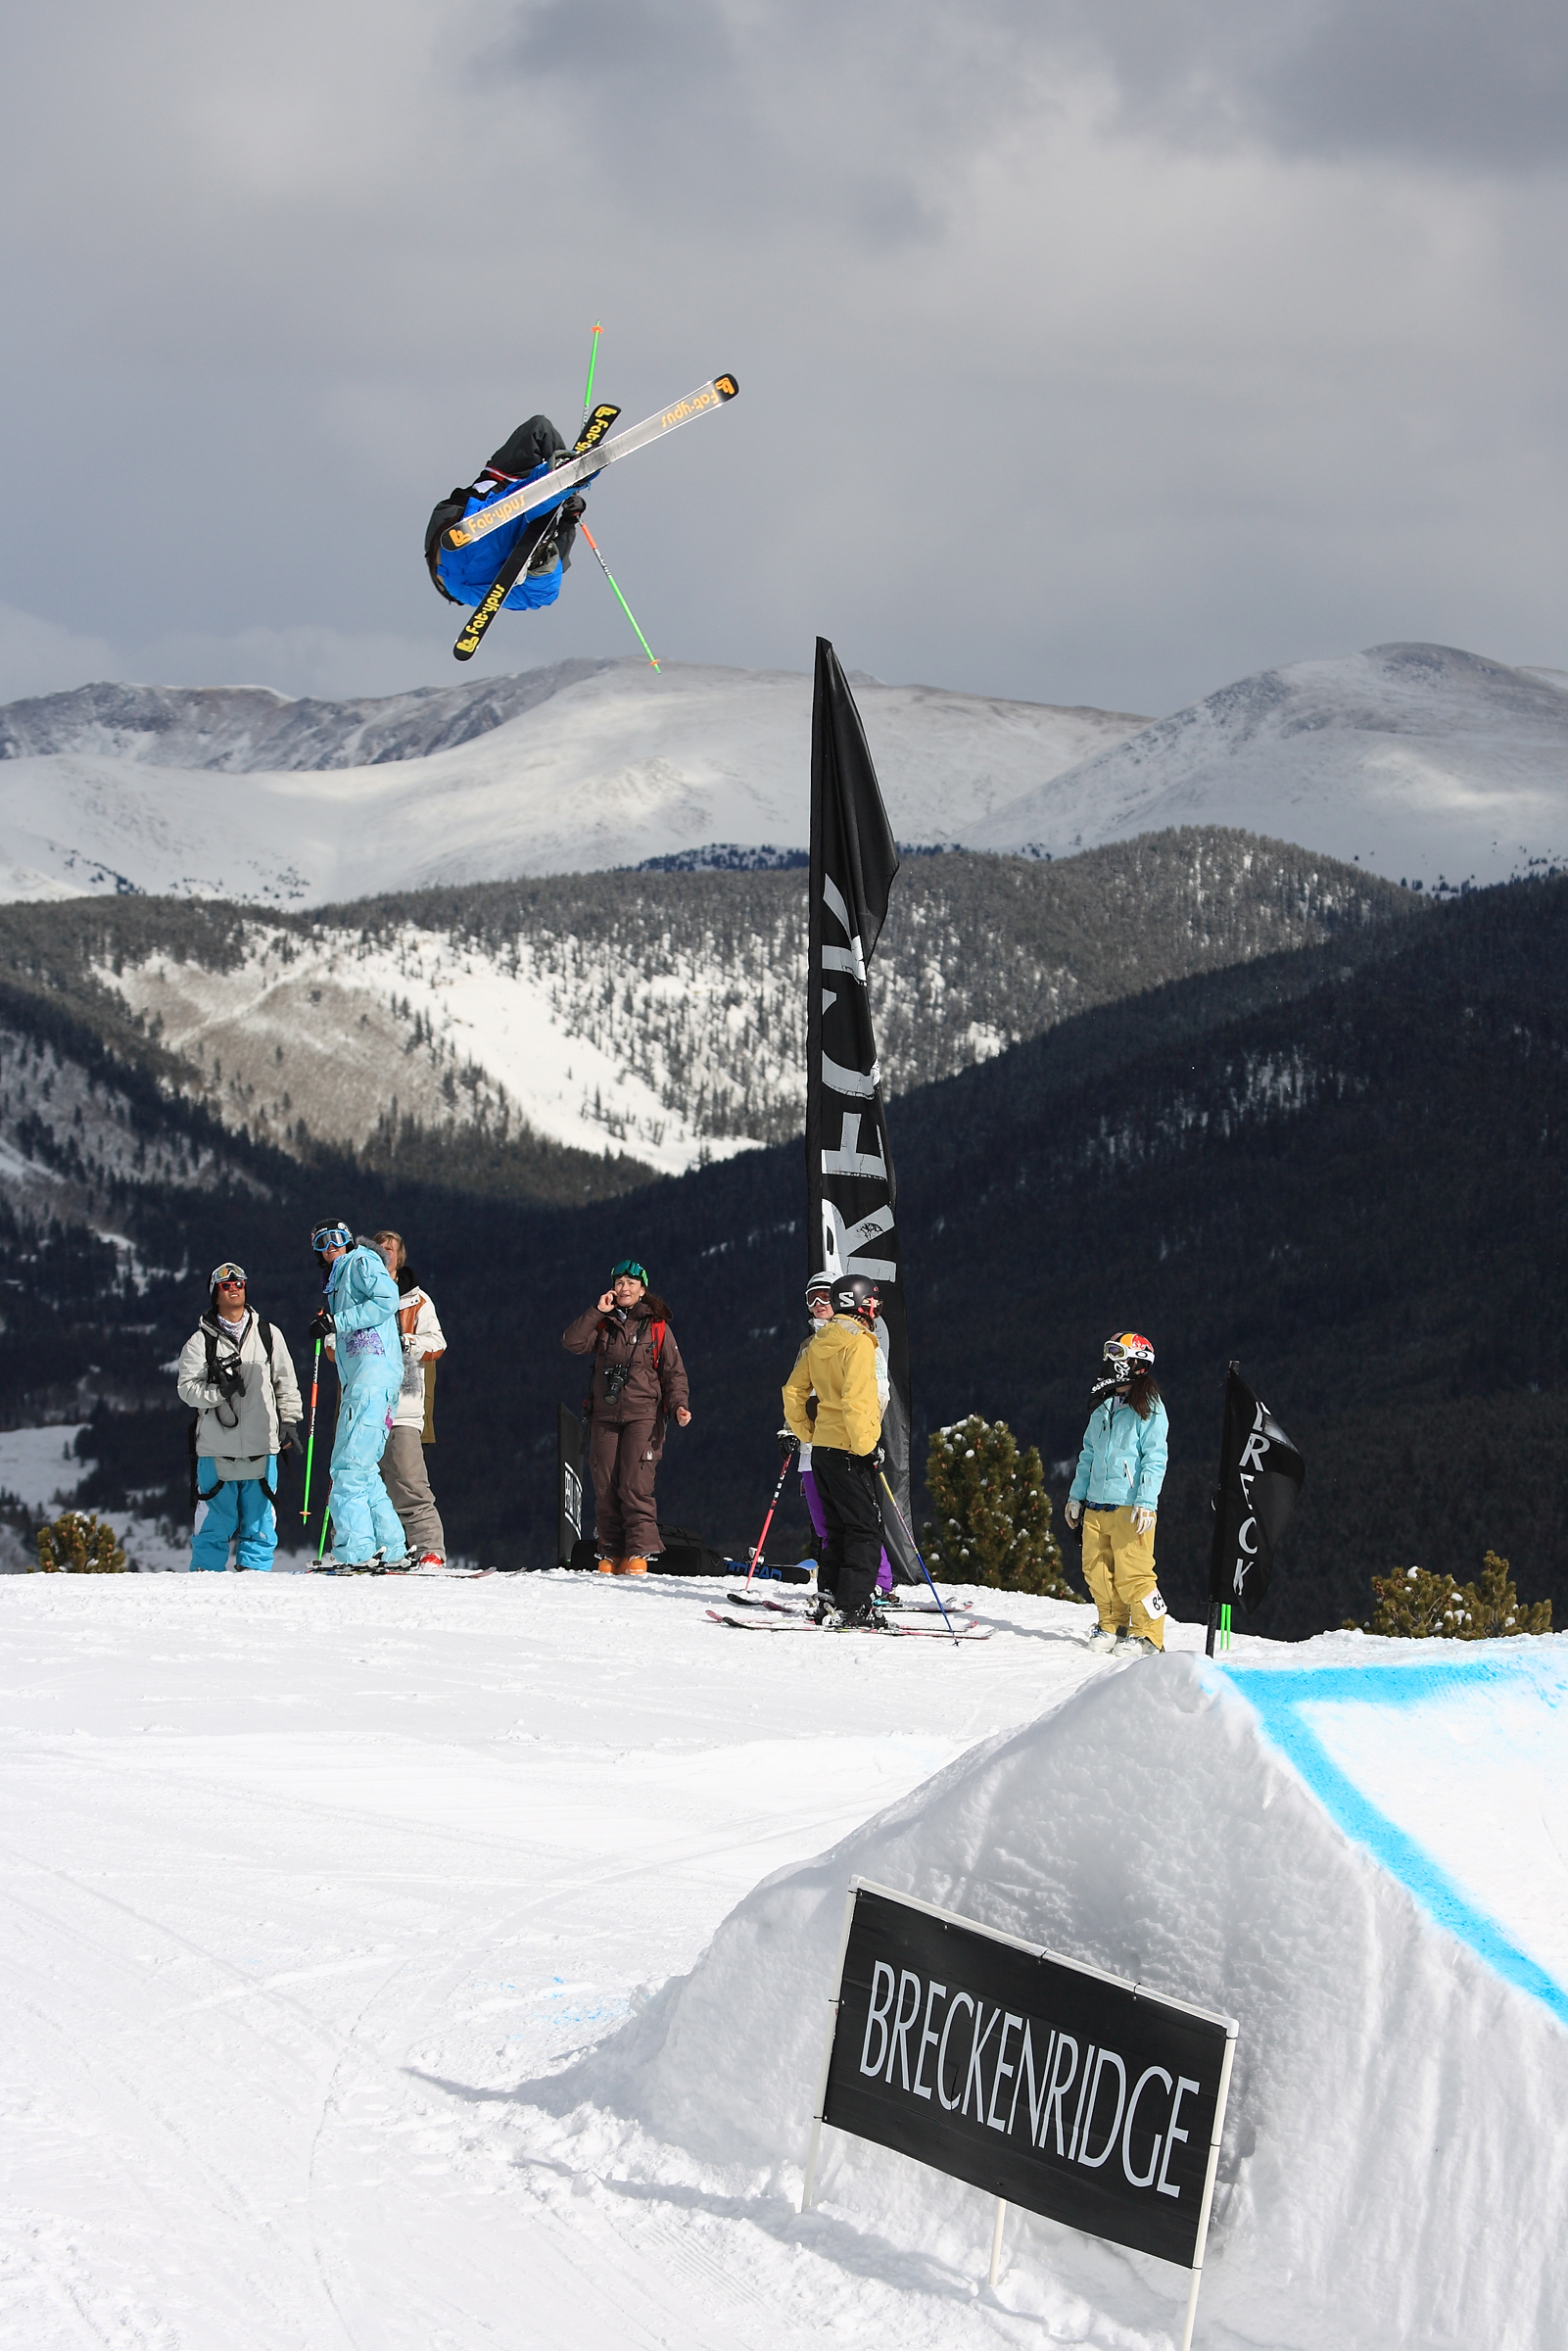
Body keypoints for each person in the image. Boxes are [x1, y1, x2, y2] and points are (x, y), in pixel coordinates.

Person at [562, 1259, 691, 1574]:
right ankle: (609, 1551)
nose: (624, 1288)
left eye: (631, 1283)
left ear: (642, 1290)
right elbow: (572, 1342)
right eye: (619, 1282)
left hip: (644, 1415)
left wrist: (679, 1407)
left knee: (635, 1484)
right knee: (605, 1484)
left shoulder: (657, 1326)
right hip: (604, 1416)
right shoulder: (604, 1324)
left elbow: (674, 1373)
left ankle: (638, 1552)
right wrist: (597, 1311)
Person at [176, 1260, 302, 1572]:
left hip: (262, 1447)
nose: (234, 1288)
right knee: (212, 1528)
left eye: (239, 1283)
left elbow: (285, 1383)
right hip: (216, 1450)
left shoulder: (269, 1336)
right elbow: (187, 1389)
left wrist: (289, 1423)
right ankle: (205, 1583)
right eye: (226, 1285)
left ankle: (254, 1583)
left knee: (259, 1526)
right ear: (215, 1294)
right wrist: (219, 1391)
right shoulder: (200, 1342)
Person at [782, 1273, 886, 1629]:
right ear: (862, 1303)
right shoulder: (859, 1343)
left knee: (835, 1529)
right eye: (874, 1301)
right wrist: (866, 1447)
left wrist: (806, 1431)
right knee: (865, 1529)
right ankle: (854, 1606)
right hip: (849, 1448)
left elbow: (793, 1391)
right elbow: (857, 1399)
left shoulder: (819, 1341)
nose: (877, 1308)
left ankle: (829, 1596)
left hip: (822, 1448)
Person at [309, 1222, 407, 1572]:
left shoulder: (360, 1261)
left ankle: (355, 1550)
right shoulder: (340, 1277)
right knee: (363, 1470)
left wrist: (338, 1320)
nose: (329, 1246)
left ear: (348, 1240)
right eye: (321, 1241)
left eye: (336, 1238)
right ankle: (390, 1547)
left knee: (347, 1468)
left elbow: (386, 1299)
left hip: (371, 1378)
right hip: (371, 1381)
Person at [1065, 1332, 1170, 1655]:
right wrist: (1075, 1497)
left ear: (1134, 1363)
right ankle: (1112, 1624)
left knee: (1133, 1571)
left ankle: (1150, 1634)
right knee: (1095, 1568)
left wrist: (1146, 1502)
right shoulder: (1104, 1406)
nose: (1109, 1362)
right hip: (1097, 1503)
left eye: (1117, 1355)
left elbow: (1155, 1457)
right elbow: (1088, 1454)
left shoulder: (1149, 1409)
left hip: (1129, 1505)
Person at [424, 416, 588, 616]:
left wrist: (570, 511)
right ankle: (540, 560)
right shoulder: (512, 482)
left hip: (463, 572)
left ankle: (540, 559)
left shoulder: (507, 477)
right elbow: (539, 428)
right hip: (466, 559)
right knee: (545, 589)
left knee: (546, 585)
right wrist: (570, 514)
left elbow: (539, 427)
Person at [370, 1228, 448, 1571]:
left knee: (409, 1478)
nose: (386, 1252)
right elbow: (331, 1346)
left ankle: (430, 1547)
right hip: (364, 1405)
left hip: (403, 1404)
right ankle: (368, 1546)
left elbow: (438, 1344)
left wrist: (408, 1342)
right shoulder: (358, 1294)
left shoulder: (417, 1301)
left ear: (400, 1257)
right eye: (380, 1247)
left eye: (392, 1248)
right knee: (360, 1478)